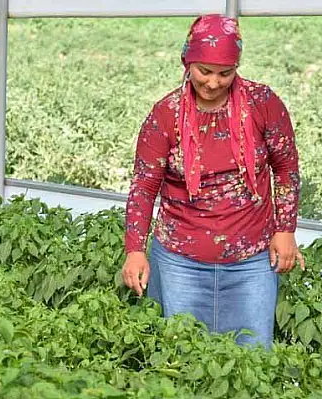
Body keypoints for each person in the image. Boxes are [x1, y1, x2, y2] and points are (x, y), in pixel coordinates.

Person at [121, 14, 304, 350]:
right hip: (180, 262)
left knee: (251, 360)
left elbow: (286, 168)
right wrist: (135, 250)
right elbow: (144, 187)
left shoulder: (263, 103)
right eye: (204, 71)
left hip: (251, 261)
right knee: (182, 359)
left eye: (225, 73)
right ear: (187, 61)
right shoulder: (166, 114)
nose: (213, 82)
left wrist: (285, 229)